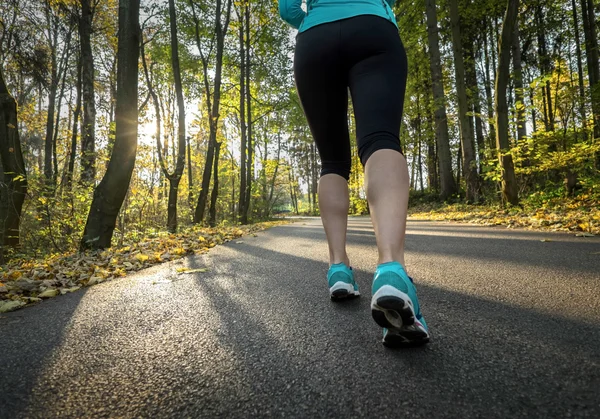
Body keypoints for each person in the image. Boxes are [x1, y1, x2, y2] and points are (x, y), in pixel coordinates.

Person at [279, 0, 429, 346]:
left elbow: (287, 8)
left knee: (332, 161)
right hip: (372, 29)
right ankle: (391, 270)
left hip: (314, 37)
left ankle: (338, 270)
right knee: (380, 139)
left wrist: (314, 18)